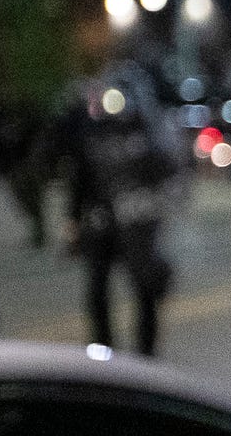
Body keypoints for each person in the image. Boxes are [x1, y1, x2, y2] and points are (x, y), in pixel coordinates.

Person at [62, 66, 179, 356]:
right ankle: (103, 353)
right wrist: (73, 220)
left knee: (145, 288)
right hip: (101, 223)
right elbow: (81, 179)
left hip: (136, 223)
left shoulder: (148, 133)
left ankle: (146, 356)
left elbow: (167, 176)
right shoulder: (92, 132)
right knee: (97, 290)